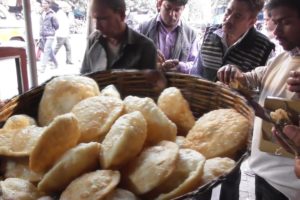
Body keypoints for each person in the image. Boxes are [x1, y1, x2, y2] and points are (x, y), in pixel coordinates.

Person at [217, 0, 300, 199]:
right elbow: (251, 78)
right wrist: (234, 73)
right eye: (274, 22)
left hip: (284, 187)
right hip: (253, 170)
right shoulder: (281, 59)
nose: (277, 31)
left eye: (286, 22)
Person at [191, 0, 275, 82]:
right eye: (228, 11)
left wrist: (240, 78)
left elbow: (262, 89)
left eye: (238, 16)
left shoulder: (264, 48)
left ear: (251, 22)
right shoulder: (210, 32)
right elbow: (197, 71)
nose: (229, 19)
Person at [80, 0, 157, 74]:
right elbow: (84, 79)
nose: (97, 26)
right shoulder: (93, 40)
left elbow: (150, 85)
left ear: (121, 15)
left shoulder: (146, 47)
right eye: (94, 19)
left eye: (103, 19)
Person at [138, 0, 199, 73]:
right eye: (168, 8)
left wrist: (180, 66)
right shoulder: (142, 29)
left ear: (183, 9)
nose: (171, 14)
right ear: (159, 3)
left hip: (178, 83)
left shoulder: (191, 34)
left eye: (177, 10)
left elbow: (196, 65)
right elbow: (129, 58)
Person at [39, 0, 59, 72]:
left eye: (45, 3)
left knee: (46, 50)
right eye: (42, 3)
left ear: (48, 4)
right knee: (49, 50)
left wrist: (51, 30)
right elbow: (41, 24)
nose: (43, 5)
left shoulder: (52, 14)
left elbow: (57, 25)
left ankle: (42, 67)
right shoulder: (41, 13)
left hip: (50, 35)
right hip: (43, 35)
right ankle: (56, 64)